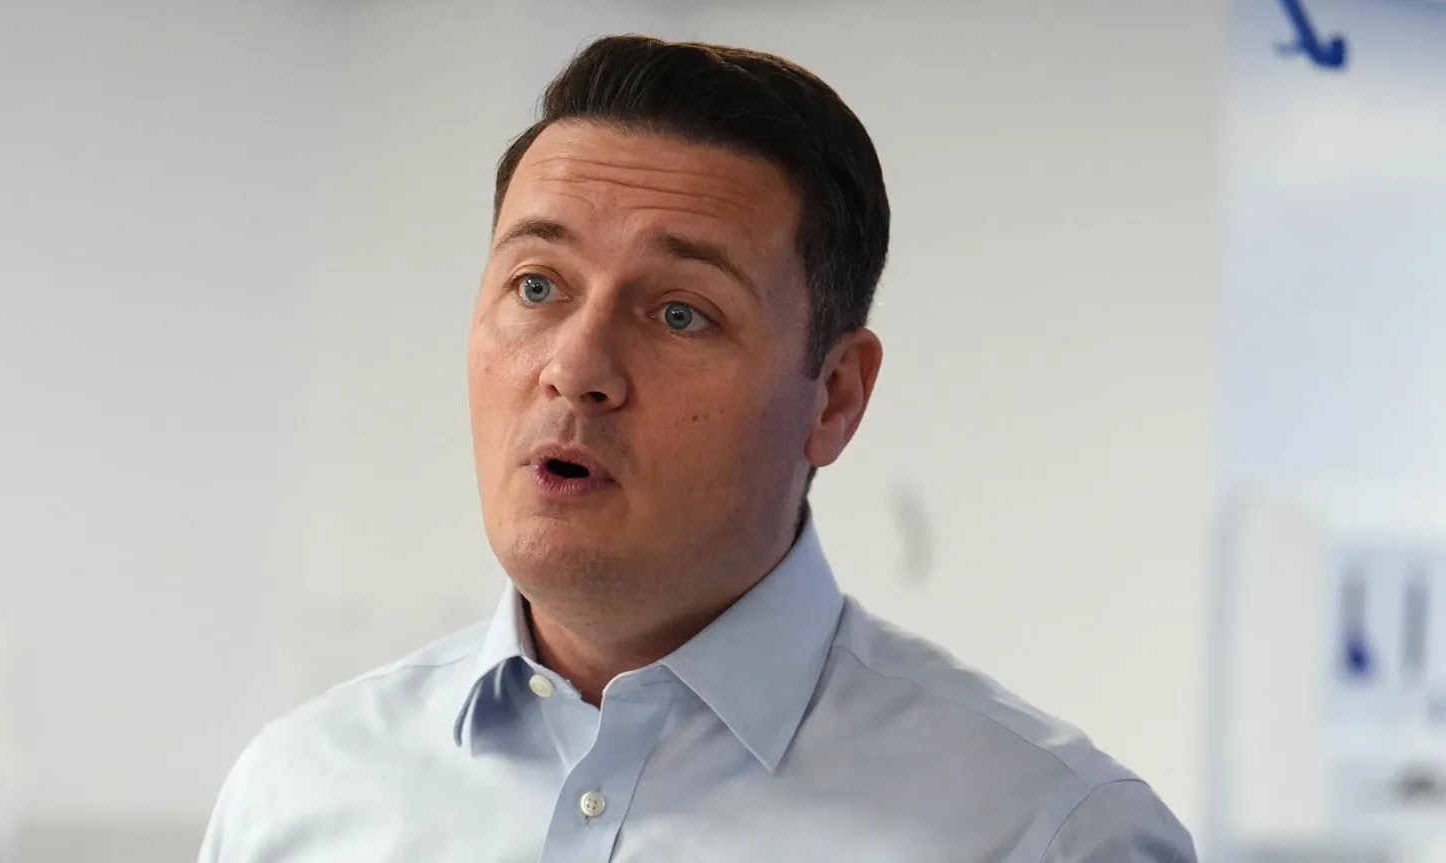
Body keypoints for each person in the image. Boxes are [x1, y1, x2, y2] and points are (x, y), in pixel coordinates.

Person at [198, 35, 1196, 863]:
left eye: (680, 312)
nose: (577, 367)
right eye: (537, 285)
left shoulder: (1049, 834)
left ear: (835, 397)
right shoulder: (300, 793)